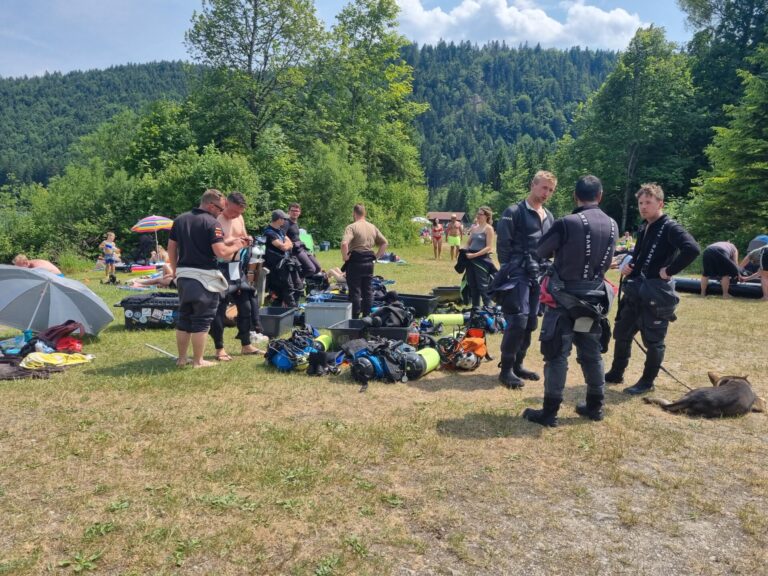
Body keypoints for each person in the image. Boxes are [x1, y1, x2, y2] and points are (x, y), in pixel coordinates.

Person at [522, 175, 618, 427]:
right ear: (600, 195)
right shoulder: (612, 224)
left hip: (563, 299)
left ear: (576, 196)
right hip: (593, 300)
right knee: (592, 354)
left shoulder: (566, 223)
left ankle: (549, 412)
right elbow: (608, 261)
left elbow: (541, 251)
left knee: (556, 356)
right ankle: (596, 407)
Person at [604, 183, 700, 395]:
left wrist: (670, 270)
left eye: (648, 202)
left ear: (660, 203)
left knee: (654, 341)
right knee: (622, 332)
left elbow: (692, 249)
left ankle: (647, 382)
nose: (643, 207)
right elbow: (641, 253)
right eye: (640, 203)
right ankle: (616, 372)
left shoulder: (670, 227)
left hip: (655, 294)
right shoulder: (644, 225)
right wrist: (631, 265)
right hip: (635, 289)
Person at [167, 189, 249, 368]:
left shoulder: (180, 220)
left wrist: (175, 271)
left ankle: (182, 359)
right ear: (211, 205)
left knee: (184, 319)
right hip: (204, 277)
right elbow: (221, 253)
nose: (221, 212)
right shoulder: (212, 223)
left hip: (183, 275)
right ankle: (198, 360)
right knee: (202, 320)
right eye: (220, 209)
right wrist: (237, 245)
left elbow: (171, 248)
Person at [490, 170, 557, 389]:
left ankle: (518, 364)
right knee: (518, 319)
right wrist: (510, 270)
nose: (546, 193)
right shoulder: (514, 211)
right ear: (533, 185)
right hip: (517, 273)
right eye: (544, 187)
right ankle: (506, 369)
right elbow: (503, 247)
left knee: (530, 322)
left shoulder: (549, 216)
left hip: (539, 274)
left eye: (550, 189)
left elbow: (549, 247)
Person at [208, 192, 265, 361]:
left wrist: (248, 239)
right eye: (233, 212)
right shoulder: (215, 219)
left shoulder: (239, 217)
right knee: (219, 308)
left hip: (237, 266)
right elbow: (215, 244)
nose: (236, 215)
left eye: (240, 212)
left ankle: (246, 344)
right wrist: (236, 240)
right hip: (220, 267)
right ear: (225, 204)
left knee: (246, 305)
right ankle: (219, 348)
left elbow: (243, 237)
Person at [340, 204, 388, 318]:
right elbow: (384, 243)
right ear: (364, 213)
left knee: (355, 291)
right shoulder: (372, 227)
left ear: (354, 213)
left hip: (355, 262)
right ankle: (367, 315)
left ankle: (355, 316)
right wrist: (376, 257)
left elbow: (344, 243)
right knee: (367, 290)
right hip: (369, 262)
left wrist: (345, 257)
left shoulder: (351, 227)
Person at [459, 207, 496, 307]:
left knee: (482, 287)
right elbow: (468, 243)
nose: (478, 216)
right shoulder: (474, 228)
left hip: (482, 260)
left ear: (486, 216)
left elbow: (489, 247)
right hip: (470, 260)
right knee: (472, 286)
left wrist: (474, 255)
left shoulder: (489, 228)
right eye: (478, 213)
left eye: (480, 214)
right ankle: (475, 311)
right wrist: (464, 250)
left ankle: (489, 310)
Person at [264, 209, 300, 307]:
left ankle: (285, 308)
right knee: (287, 288)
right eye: (284, 219)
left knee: (297, 285)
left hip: (286, 264)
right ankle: (291, 310)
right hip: (276, 267)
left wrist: (287, 244)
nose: (285, 221)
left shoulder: (280, 230)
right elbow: (283, 247)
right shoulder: (269, 233)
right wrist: (287, 244)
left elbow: (289, 242)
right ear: (279, 219)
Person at [284, 202, 322, 280]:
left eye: (297, 211)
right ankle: (295, 280)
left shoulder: (295, 223)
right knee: (311, 269)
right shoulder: (286, 223)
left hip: (302, 248)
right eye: (292, 210)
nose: (295, 213)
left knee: (318, 268)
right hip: (295, 250)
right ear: (288, 212)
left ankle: (302, 280)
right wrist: (290, 244)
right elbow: (282, 236)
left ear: (299, 212)